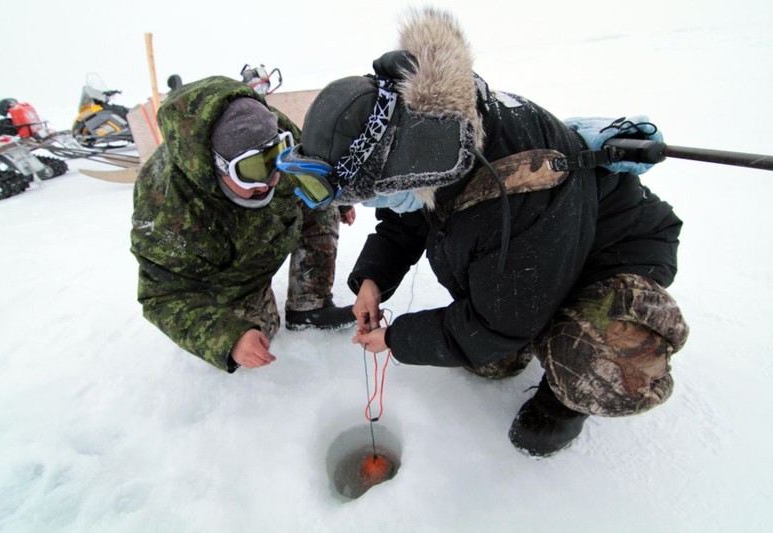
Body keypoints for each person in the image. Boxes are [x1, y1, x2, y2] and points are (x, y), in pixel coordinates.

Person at [275, 8, 689, 456]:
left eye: (372, 197)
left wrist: (396, 338)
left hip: (608, 255)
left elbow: (499, 324)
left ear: (408, 169)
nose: (374, 206)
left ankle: (567, 397)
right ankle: (541, 325)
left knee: (596, 364)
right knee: (492, 361)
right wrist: (373, 278)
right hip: (533, 262)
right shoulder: (431, 140)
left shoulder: (510, 196)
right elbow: (409, 211)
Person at [130, 75, 356, 373]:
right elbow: (162, 296)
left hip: (275, 230)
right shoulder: (166, 207)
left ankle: (309, 304)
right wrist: (228, 337)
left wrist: (340, 200)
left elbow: (312, 171)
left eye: (274, 162)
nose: (268, 182)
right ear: (215, 166)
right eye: (249, 171)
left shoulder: (272, 128)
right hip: (228, 276)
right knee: (260, 334)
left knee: (319, 202)